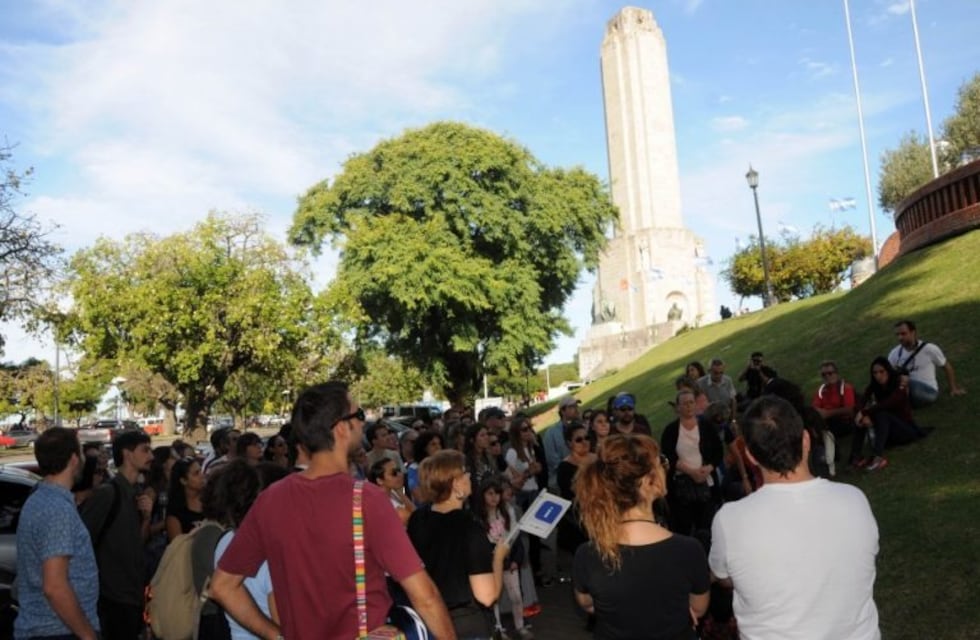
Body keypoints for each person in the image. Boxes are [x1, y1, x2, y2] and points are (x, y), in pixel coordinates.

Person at [211, 381, 456, 640]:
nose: (363, 424)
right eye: (359, 416)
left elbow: (222, 587)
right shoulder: (366, 499)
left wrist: (277, 636)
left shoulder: (270, 499)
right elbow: (425, 596)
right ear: (341, 427)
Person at [709, 396, 880, 640]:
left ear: (751, 456)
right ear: (807, 439)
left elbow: (724, 577)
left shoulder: (729, 520)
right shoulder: (854, 500)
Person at [573, 434, 710, 639]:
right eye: (661, 462)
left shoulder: (588, 553)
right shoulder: (689, 550)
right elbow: (698, 608)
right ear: (647, 482)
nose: (666, 467)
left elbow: (587, 603)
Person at [408, 450, 509, 639]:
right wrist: (499, 558)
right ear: (455, 485)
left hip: (429, 621)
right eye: (464, 472)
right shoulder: (469, 527)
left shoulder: (418, 519)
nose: (469, 475)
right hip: (466, 625)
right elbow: (487, 596)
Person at [15, 427, 100, 640]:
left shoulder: (42, 498)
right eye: (80, 453)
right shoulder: (56, 509)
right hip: (57, 631)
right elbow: (54, 586)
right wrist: (88, 636)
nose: (82, 459)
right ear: (73, 459)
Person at [80, 429, 154, 640]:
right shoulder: (107, 493)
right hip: (111, 597)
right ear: (127, 454)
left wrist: (147, 517)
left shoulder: (136, 492)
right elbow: (82, 541)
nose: (151, 456)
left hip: (133, 594)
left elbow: (137, 542)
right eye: (145, 450)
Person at [472, 477, 531, 640]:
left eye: (497, 493)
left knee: (517, 596)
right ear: (482, 495)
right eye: (490, 494)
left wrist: (515, 560)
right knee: (494, 598)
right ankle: (498, 629)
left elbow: (515, 538)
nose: (494, 497)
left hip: (508, 561)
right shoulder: (478, 517)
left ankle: (520, 626)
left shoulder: (507, 511)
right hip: (490, 564)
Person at [660, 389, 723, 538]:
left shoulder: (706, 426)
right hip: (682, 485)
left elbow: (718, 451)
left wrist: (708, 468)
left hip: (706, 481)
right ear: (678, 407)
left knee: (708, 525)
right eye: (685, 404)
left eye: (691, 402)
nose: (689, 406)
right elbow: (669, 456)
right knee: (686, 526)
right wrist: (691, 472)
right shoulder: (671, 431)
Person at [855, 357, 928, 472]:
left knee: (881, 414)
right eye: (875, 373)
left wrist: (865, 412)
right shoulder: (875, 386)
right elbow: (861, 400)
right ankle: (855, 457)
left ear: (888, 371)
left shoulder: (900, 383)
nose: (878, 375)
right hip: (889, 432)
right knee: (862, 418)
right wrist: (861, 413)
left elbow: (891, 402)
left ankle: (878, 457)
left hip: (906, 429)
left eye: (881, 372)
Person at [888, 319, 966, 408]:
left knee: (903, 380)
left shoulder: (929, 349)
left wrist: (953, 388)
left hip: (928, 392)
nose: (900, 338)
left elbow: (946, 366)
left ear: (913, 332)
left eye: (903, 334)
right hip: (908, 391)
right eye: (897, 335)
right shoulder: (895, 353)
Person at [812, 360, 861, 465]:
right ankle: (828, 455)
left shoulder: (845, 388)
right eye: (824, 374)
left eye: (830, 373)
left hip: (845, 422)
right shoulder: (821, 391)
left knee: (822, 428)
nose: (827, 376)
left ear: (836, 374)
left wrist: (827, 413)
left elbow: (850, 409)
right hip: (827, 421)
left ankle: (831, 454)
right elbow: (815, 408)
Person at [556, 422, 594, 554]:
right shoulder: (565, 468)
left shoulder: (598, 459)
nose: (584, 442)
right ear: (569, 443)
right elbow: (572, 496)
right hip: (580, 524)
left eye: (587, 437)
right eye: (579, 440)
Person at [542, 397, 580, 491]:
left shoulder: (581, 429)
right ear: (563, 411)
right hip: (559, 484)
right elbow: (552, 460)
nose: (576, 409)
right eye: (572, 407)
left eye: (576, 406)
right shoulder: (551, 433)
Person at [504, 416, 542, 509]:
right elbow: (509, 480)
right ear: (516, 433)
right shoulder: (512, 452)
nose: (529, 431)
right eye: (524, 429)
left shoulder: (530, 449)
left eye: (530, 427)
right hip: (523, 495)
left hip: (534, 489)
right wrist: (528, 473)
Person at [165, 456, 205, 540]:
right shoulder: (175, 511)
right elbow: (177, 547)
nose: (202, 476)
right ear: (183, 480)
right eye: (196, 473)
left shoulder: (209, 499)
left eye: (200, 471)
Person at [368, 457, 416, 526]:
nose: (400, 475)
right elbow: (413, 518)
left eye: (398, 470)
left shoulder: (393, 491)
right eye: (394, 473)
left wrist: (400, 492)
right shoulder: (383, 501)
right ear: (380, 481)